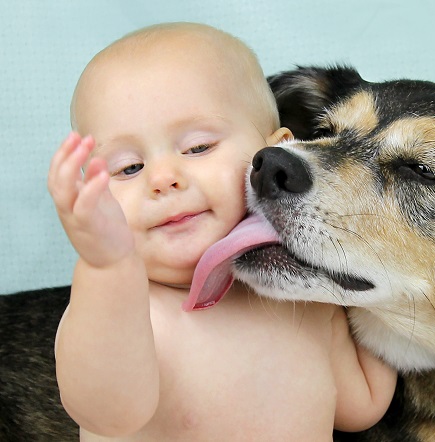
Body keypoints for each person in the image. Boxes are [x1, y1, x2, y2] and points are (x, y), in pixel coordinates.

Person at [47, 22, 396, 441]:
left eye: (198, 147)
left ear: (277, 152)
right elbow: (109, 414)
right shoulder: (124, 312)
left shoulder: (307, 304)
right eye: (129, 168)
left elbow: (362, 405)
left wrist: (385, 269)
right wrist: (106, 268)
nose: (162, 178)